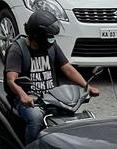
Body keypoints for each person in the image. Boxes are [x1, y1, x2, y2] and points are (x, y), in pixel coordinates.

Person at [5, 9, 98, 144]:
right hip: (29, 100)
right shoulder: (17, 50)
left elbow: (67, 68)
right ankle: (32, 146)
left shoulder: (51, 47)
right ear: (37, 35)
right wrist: (23, 96)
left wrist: (86, 86)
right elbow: (11, 79)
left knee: (70, 116)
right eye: (49, 36)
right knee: (36, 118)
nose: (52, 39)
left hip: (53, 97)